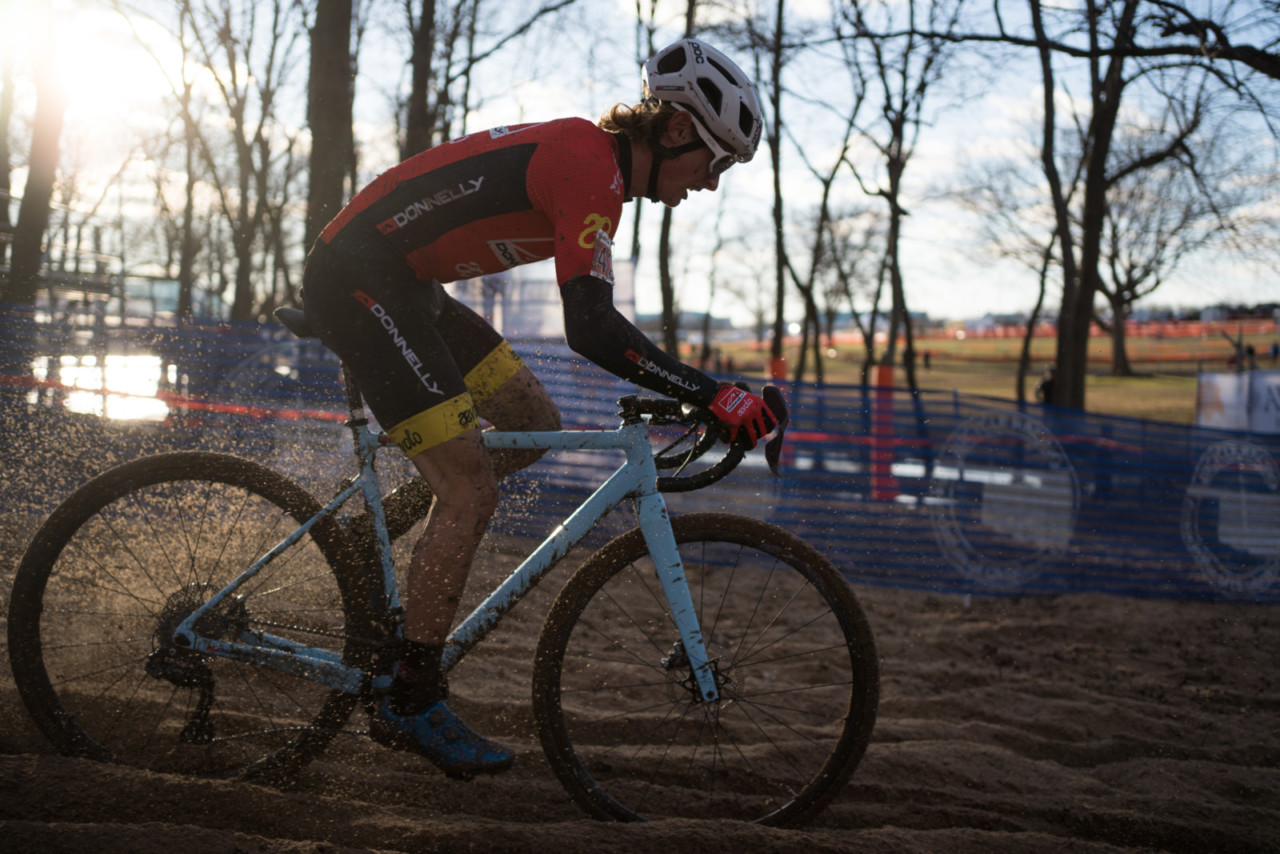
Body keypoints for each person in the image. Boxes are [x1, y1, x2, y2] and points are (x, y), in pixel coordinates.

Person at [301, 39, 779, 778]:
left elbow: (595, 323)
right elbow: (590, 328)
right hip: (359, 278)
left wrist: (703, 390)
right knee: (470, 489)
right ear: (679, 129)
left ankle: (373, 533)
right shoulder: (588, 166)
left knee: (532, 424)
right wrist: (710, 392)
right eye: (715, 164)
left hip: (406, 283)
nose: (710, 185)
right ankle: (410, 695)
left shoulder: (600, 176)